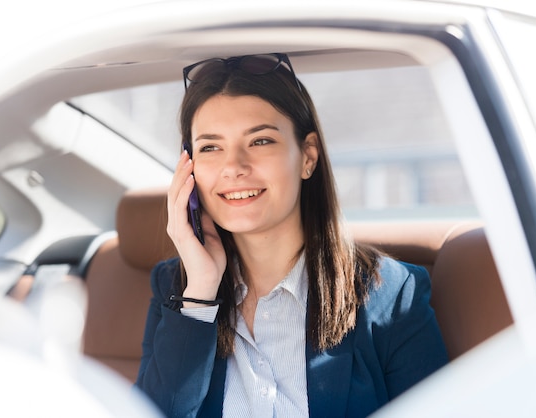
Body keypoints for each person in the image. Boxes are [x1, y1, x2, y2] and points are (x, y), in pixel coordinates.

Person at [135, 53, 448, 418]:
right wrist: (201, 294)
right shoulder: (177, 290)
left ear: (308, 156)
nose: (233, 167)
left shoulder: (392, 296)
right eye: (210, 147)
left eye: (260, 141)